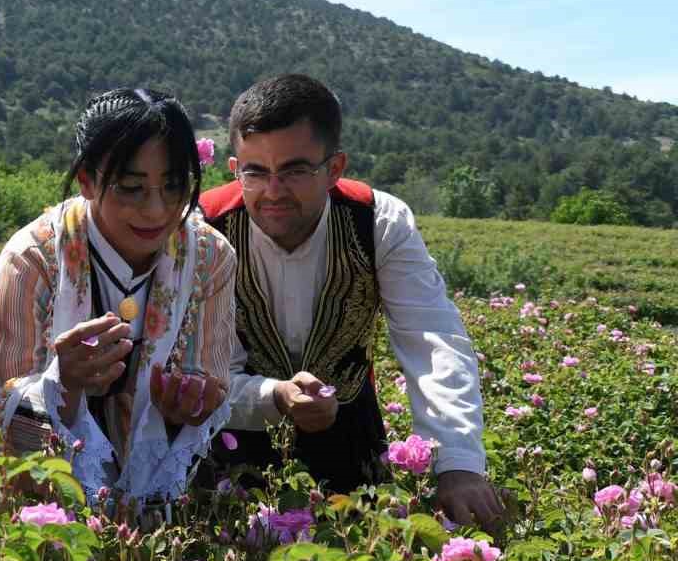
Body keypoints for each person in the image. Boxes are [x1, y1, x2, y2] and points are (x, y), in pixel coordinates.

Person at [200, 73, 503, 526]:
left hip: (351, 430)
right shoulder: (204, 229)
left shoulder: (378, 221)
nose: (274, 191)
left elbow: (432, 338)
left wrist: (457, 463)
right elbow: (205, 369)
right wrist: (275, 398)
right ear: (233, 168)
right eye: (256, 172)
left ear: (335, 168)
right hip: (231, 434)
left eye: (296, 170)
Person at [0, 87, 235, 507]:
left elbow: (212, 382)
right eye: (131, 188)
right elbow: (3, 410)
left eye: (173, 186)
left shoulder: (208, 258)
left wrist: (192, 405)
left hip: (146, 492)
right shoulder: (34, 258)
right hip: (34, 489)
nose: (156, 210)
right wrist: (62, 384)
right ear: (86, 179)